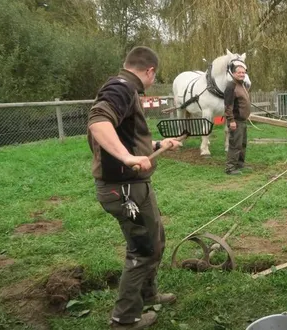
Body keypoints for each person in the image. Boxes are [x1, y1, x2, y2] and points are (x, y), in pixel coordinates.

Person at [87, 46, 181, 329]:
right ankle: (125, 320)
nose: (153, 80)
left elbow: (126, 137)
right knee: (142, 250)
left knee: (156, 239)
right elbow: (98, 121)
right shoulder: (122, 87)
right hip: (123, 189)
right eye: (155, 76)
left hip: (134, 184)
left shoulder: (125, 87)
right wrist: (128, 158)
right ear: (149, 71)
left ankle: (148, 294)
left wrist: (156, 146)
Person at [224, 61, 251, 175]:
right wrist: (231, 120)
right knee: (235, 144)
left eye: (243, 72)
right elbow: (228, 106)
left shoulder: (242, 84)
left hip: (243, 120)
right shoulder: (231, 86)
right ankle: (230, 168)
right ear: (233, 73)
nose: (241, 74)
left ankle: (240, 164)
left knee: (242, 144)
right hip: (236, 121)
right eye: (239, 72)